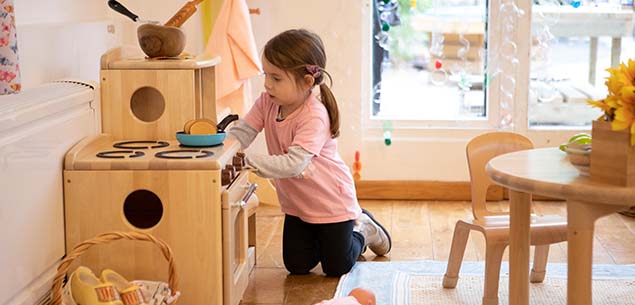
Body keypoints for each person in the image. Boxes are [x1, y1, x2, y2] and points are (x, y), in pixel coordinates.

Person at [227, 28, 391, 277]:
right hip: (298, 204)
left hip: (331, 202)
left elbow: (294, 164)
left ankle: (364, 229)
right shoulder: (267, 102)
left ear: (307, 82)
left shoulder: (314, 115)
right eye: (266, 75)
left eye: (276, 78)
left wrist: (245, 162)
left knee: (336, 266)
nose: (267, 84)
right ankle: (323, 237)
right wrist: (222, 148)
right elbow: (244, 132)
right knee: (297, 265)